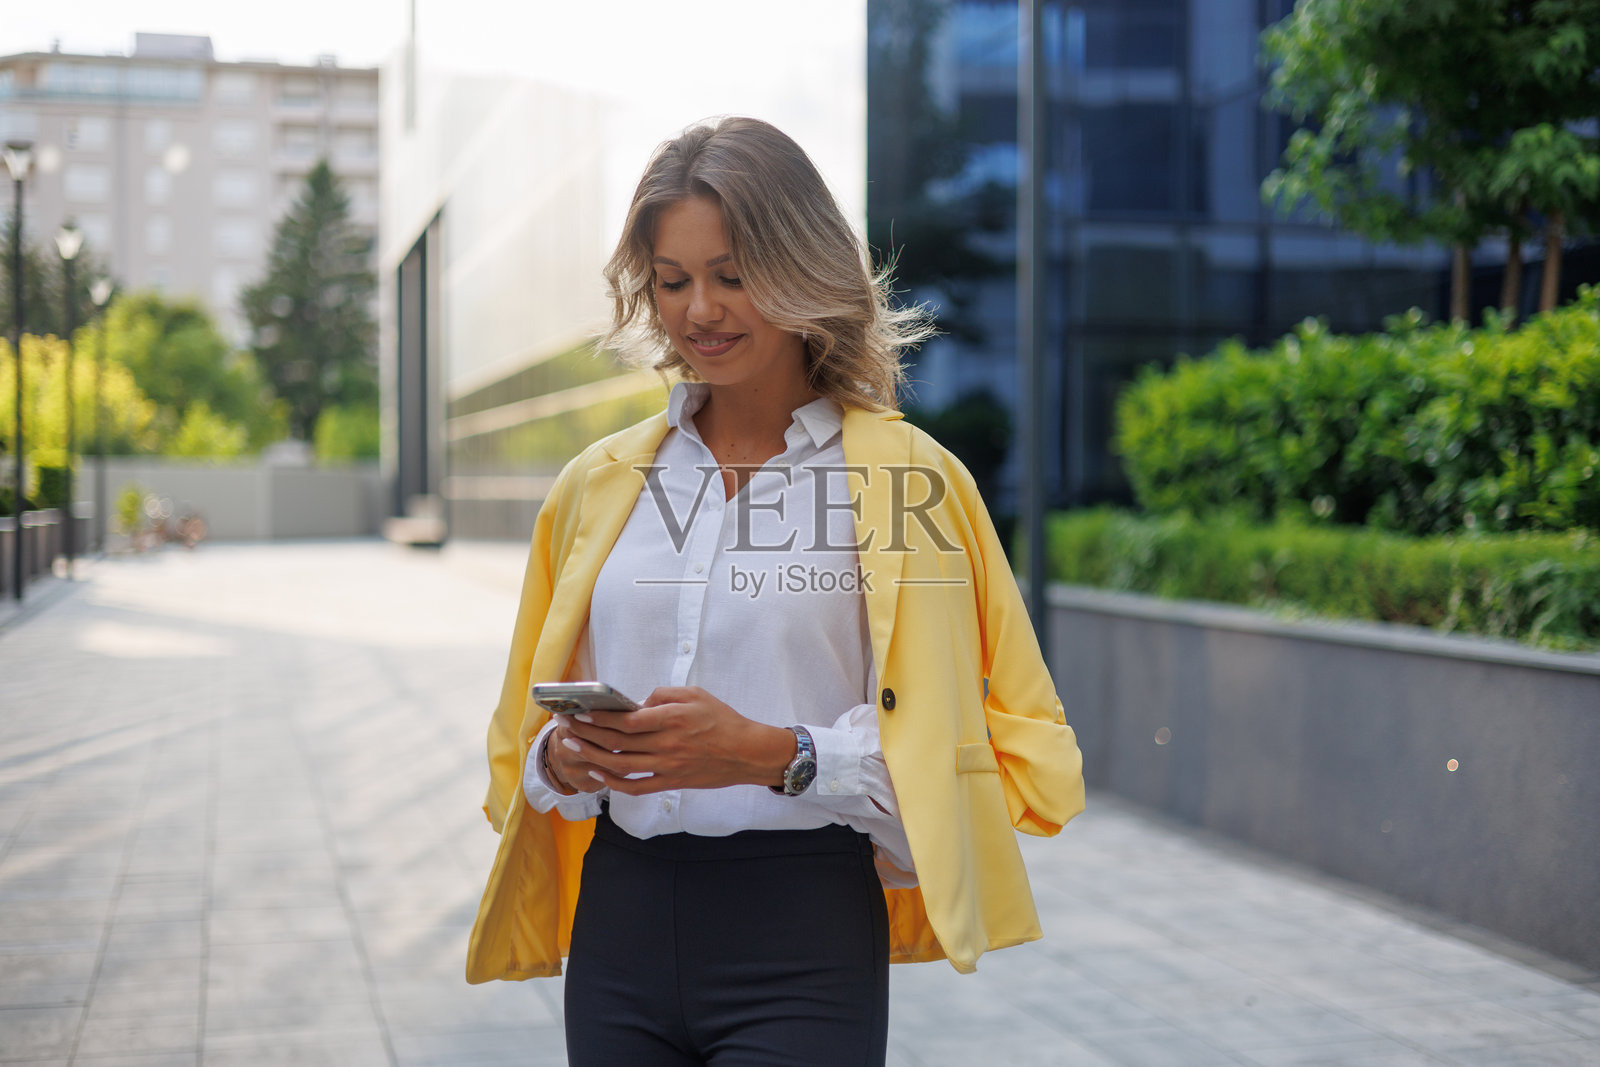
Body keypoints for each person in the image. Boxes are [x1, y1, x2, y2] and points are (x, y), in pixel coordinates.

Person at [466, 116, 1085, 1065]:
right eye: (672, 281)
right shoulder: (598, 485)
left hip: (802, 930)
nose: (699, 310)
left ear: (803, 271)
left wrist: (772, 753)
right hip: (620, 927)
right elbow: (526, 745)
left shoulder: (908, 486)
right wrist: (570, 757)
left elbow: (952, 744)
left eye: (733, 273)